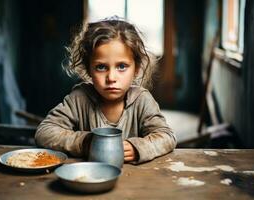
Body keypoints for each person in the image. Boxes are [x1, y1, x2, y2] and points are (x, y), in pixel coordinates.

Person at [35, 17, 176, 164]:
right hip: (89, 178)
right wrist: (85, 142)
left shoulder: (142, 100)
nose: (111, 78)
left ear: (137, 69)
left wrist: (138, 147)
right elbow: (44, 133)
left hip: (136, 181)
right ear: (89, 69)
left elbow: (167, 137)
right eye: (101, 67)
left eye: (122, 66)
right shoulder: (79, 98)